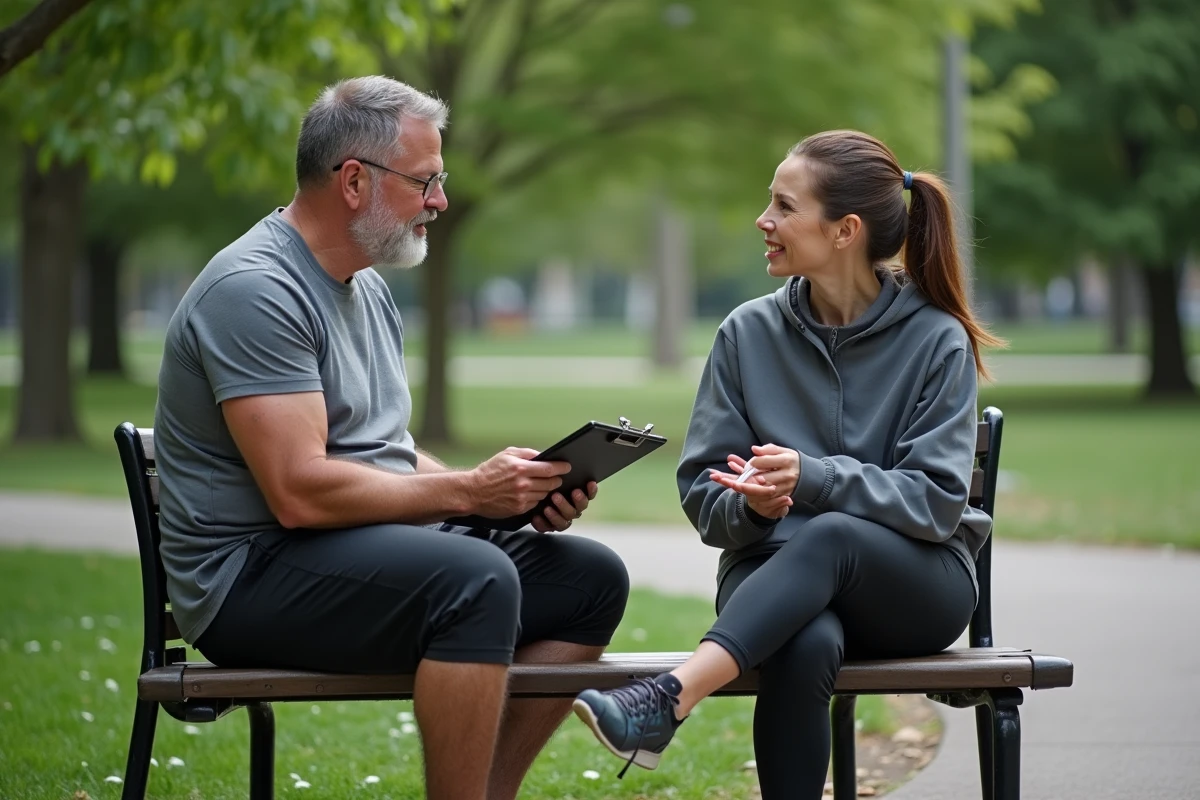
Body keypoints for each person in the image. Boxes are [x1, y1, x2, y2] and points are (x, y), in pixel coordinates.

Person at [153, 76, 630, 800]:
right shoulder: (254, 289)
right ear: (353, 182)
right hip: (246, 576)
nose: (439, 200)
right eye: (426, 180)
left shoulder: (365, 285)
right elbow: (299, 492)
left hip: (332, 549)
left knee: (590, 581)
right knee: (475, 582)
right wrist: (467, 490)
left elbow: (386, 453)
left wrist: (499, 500)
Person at [572, 130, 1001, 797]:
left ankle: (668, 698)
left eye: (783, 205)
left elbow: (937, 500)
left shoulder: (935, 337)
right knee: (804, 644)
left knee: (831, 534)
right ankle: (661, 708)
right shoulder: (747, 333)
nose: (762, 220)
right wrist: (749, 505)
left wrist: (815, 478)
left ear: (843, 231)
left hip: (915, 584)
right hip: (768, 577)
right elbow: (704, 495)